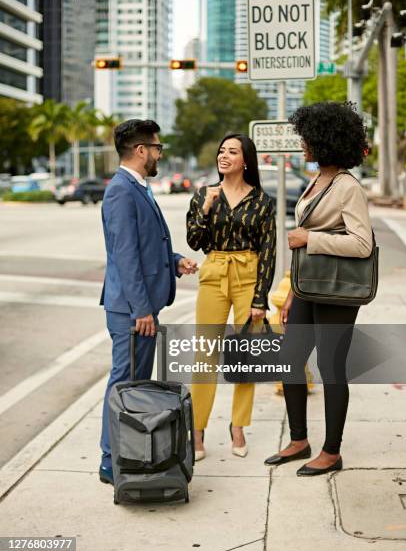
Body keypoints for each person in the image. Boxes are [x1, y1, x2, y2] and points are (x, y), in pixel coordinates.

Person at [264, 101, 373, 475]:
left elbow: (362, 244)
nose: (303, 146)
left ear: (327, 141)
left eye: (308, 139)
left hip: (338, 292)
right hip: (308, 287)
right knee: (290, 359)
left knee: (330, 366)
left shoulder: (348, 187)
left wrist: (310, 237)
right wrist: (293, 290)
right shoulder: (317, 180)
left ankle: (332, 451)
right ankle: (299, 440)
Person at [99, 119, 198, 484]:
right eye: (156, 148)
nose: (159, 154)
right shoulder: (122, 191)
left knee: (135, 385)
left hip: (139, 307)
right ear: (141, 150)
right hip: (131, 310)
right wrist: (142, 309)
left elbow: (145, 246)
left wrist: (174, 262)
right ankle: (111, 459)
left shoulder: (137, 187)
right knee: (124, 385)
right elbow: (125, 256)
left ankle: (127, 452)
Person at [187, 133, 276, 460]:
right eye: (221, 150)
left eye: (232, 151)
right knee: (204, 356)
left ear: (246, 161)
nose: (224, 156)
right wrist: (207, 208)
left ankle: (238, 426)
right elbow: (195, 240)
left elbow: (268, 252)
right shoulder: (202, 195)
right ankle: (197, 430)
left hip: (248, 275)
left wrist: (260, 300)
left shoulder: (263, 202)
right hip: (214, 273)